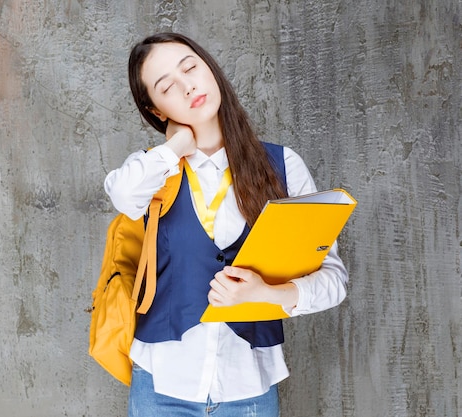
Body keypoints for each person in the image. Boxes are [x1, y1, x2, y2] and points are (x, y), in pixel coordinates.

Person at [104, 32, 348, 417]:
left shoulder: (283, 166)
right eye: (167, 87)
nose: (188, 87)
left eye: (191, 67)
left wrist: (266, 294)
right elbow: (121, 194)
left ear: (209, 68)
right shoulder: (155, 170)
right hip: (160, 388)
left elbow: (333, 282)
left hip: (248, 391)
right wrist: (176, 147)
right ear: (156, 111)